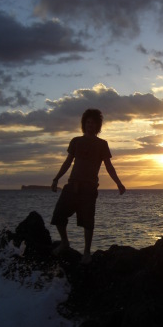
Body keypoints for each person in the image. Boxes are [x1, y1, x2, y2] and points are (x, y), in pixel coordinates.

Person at [50, 108, 126, 264]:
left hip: (89, 188)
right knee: (58, 215)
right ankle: (65, 243)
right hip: (72, 185)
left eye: (93, 123)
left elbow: (109, 166)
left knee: (88, 222)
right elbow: (67, 162)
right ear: (84, 124)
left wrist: (118, 183)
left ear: (97, 126)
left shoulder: (102, 144)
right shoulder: (76, 141)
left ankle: (86, 253)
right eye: (88, 122)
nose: (90, 125)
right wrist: (56, 178)